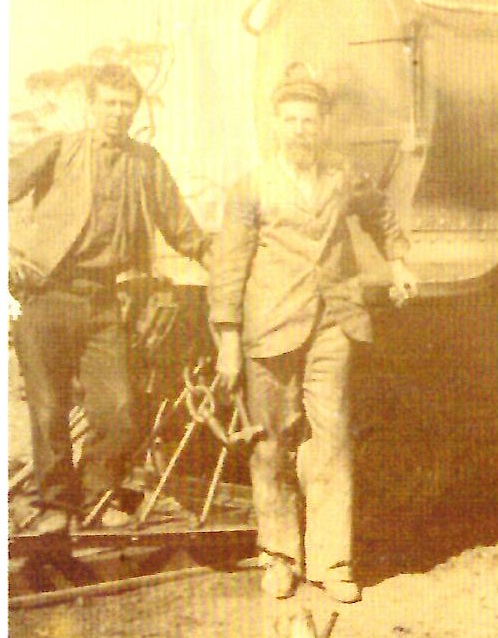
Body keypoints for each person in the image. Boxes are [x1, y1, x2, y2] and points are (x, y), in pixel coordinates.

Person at [209, 63, 416, 602]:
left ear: (323, 124)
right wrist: (228, 337)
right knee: (270, 444)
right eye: (291, 119)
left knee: (332, 437)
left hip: (334, 321)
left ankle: (333, 561)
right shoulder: (249, 188)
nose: (301, 129)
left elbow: (380, 214)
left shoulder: (343, 175)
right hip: (270, 326)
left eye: (310, 119)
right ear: (275, 124)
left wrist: (397, 260)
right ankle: (279, 556)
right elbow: (228, 266)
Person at [8, 63, 210, 535]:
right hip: (46, 296)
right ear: (92, 105)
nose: (118, 113)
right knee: (48, 409)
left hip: (104, 302)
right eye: (109, 104)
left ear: (134, 109)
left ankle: (93, 493)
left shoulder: (146, 162)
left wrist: (231, 267)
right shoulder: (59, 148)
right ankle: (57, 508)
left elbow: (184, 230)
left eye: (126, 105)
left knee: (119, 409)